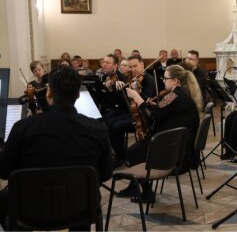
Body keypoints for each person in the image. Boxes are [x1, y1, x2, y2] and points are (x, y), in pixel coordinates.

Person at [0, 65, 113, 230]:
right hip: (81, 208)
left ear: (49, 92)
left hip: (30, 209)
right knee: (84, 193)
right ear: (77, 95)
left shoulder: (22, 128)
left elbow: (4, 171)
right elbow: (106, 173)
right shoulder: (97, 128)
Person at [116, 64, 202, 202]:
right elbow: (161, 111)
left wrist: (137, 98)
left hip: (175, 152)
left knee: (133, 152)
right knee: (138, 149)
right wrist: (144, 99)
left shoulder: (174, 95)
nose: (163, 80)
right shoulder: (180, 94)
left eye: (166, 78)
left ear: (175, 81)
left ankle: (146, 192)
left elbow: (152, 116)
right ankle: (136, 186)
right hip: (180, 146)